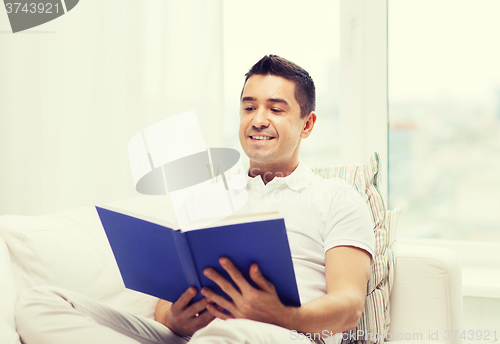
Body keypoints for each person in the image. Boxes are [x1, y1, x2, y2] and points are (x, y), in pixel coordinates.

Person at [15, 55, 375, 344]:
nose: (258, 120)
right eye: (249, 107)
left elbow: (348, 308)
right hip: (194, 336)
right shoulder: (210, 193)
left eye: (276, 109)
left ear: (307, 124)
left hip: (280, 334)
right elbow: (164, 306)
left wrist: (279, 314)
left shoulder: (337, 198)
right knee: (41, 303)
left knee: (232, 333)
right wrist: (175, 317)